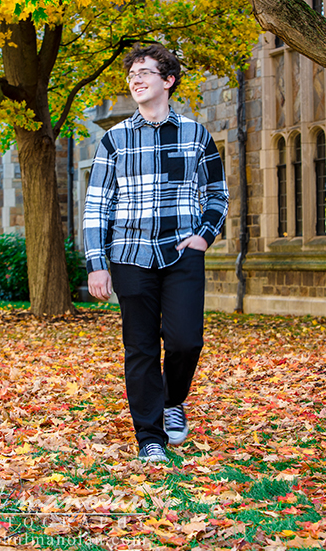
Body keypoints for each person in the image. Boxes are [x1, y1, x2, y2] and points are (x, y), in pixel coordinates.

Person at [83, 43, 228, 463]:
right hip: (130, 254)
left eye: (145, 72)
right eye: (131, 74)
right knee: (140, 348)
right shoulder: (114, 140)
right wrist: (97, 263)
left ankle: (173, 399)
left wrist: (204, 236)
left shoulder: (195, 134)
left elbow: (217, 193)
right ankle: (150, 437)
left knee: (186, 341)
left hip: (182, 252)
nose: (136, 79)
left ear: (168, 80)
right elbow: (97, 204)